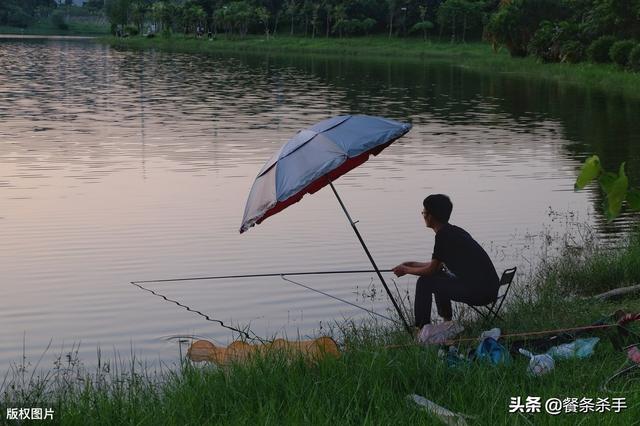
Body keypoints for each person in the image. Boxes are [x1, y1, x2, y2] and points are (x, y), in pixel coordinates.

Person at [392, 194, 499, 328]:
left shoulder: (443, 237)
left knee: (425, 282)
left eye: (423, 212)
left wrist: (406, 270)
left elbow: (431, 269)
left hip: (480, 293)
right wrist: (411, 264)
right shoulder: (454, 231)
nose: (423, 215)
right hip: (490, 289)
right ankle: (447, 322)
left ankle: (421, 329)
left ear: (430, 216)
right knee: (436, 277)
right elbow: (437, 265)